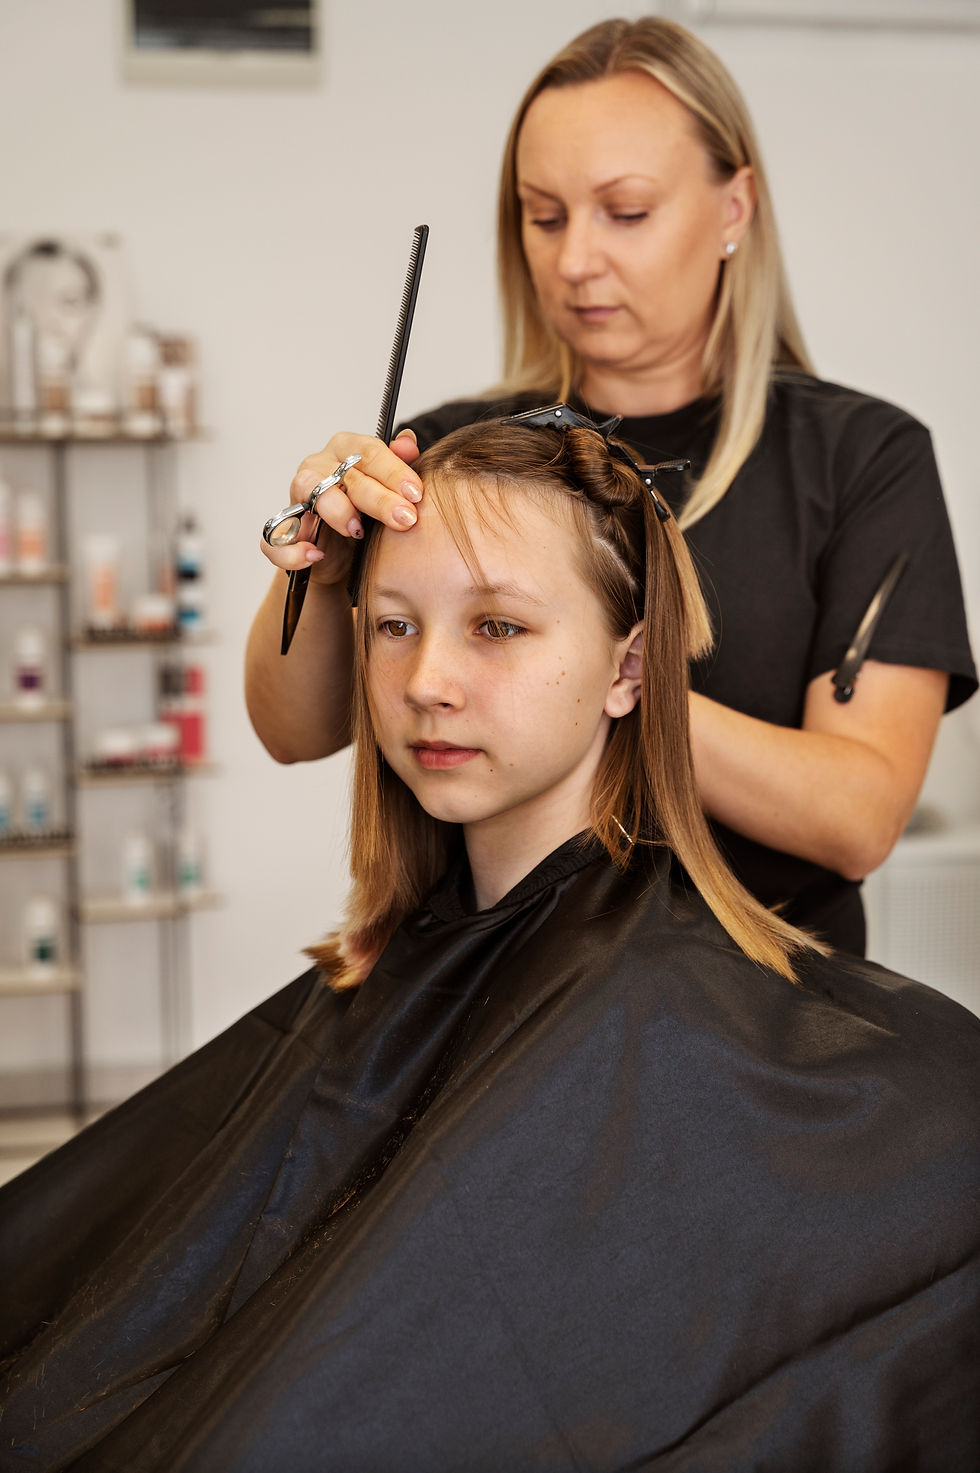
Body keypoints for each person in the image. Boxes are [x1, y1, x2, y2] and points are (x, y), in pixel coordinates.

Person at [3, 417, 979, 1471]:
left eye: (498, 627)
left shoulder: (670, 1023)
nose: (427, 679)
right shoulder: (401, 971)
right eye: (393, 625)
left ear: (628, 670)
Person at [245, 16, 976, 956]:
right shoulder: (453, 454)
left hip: (767, 1009)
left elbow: (858, 815)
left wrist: (609, 683)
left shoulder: (861, 459)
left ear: (734, 209)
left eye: (625, 212)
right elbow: (291, 731)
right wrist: (322, 569)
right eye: (544, 217)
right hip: (490, 986)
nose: (575, 260)